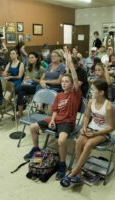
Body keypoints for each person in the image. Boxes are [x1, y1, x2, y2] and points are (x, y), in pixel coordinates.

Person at [23, 52, 82, 180]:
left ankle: (62, 164)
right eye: (63, 82)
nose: (64, 83)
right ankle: (36, 149)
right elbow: (54, 110)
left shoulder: (75, 94)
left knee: (61, 141)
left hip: (67, 122)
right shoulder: (59, 95)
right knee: (33, 127)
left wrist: (70, 63)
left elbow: (76, 79)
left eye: (67, 82)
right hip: (56, 119)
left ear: (72, 84)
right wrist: (52, 120)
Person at [60, 79, 115, 187]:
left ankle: (72, 174)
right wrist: (84, 127)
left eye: (93, 90)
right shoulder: (91, 101)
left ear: (101, 92)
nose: (91, 92)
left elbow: (112, 127)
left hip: (102, 132)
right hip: (91, 128)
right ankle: (79, 174)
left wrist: (95, 134)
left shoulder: (108, 106)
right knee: (79, 142)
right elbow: (86, 116)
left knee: (89, 144)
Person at [16, 52, 45, 118]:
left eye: (32, 57)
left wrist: (32, 78)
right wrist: (25, 81)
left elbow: (41, 81)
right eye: (29, 58)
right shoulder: (28, 68)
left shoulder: (41, 69)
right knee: (20, 92)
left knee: (20, 88)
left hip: (36, 88)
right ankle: (20, 112)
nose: (30, 59)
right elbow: (25, 79)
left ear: (36, 58)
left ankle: (14, 91)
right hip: (27, 86)